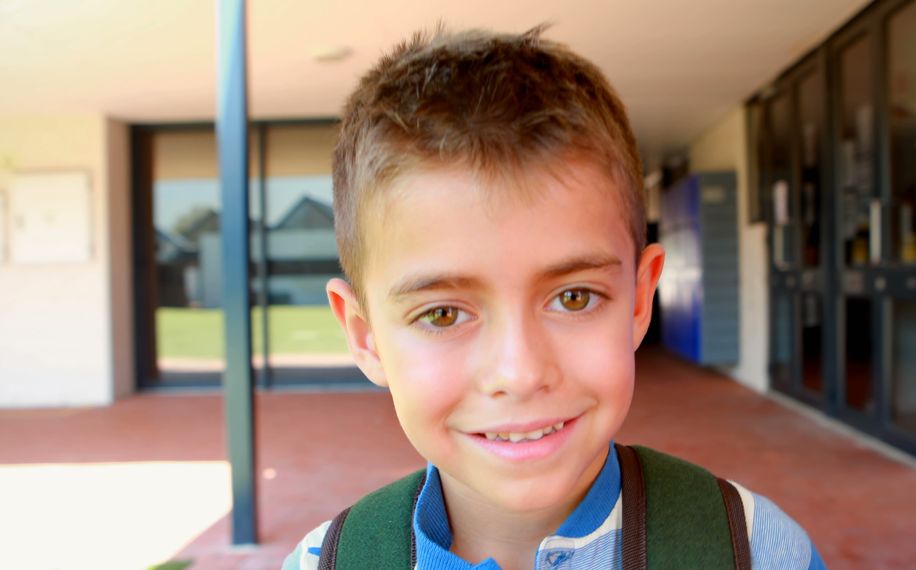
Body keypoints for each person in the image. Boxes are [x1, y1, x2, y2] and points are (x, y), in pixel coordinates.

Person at [284, 25, 825, 570]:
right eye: (443, 313)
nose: (519, 374)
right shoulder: (323, 562)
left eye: (572, 298)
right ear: (365, 334)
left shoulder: (754, 550)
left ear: (639, 301)